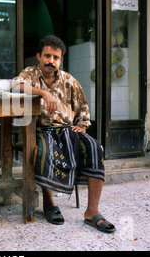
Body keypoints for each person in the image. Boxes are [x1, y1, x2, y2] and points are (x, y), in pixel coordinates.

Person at [12, 35, 115, 233]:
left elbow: (83, 104)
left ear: (61, 60)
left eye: (55, 58)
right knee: (43, 150)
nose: (51, 61)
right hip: (40, 129)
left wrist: (82, 125)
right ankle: (49, 203)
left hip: (66, 129)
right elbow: (15, 86)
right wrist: (44, 93)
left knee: (94, 147)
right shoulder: (30, 74)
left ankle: (92, 211)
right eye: (47, 56)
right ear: (39, 56)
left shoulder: (69, 80)